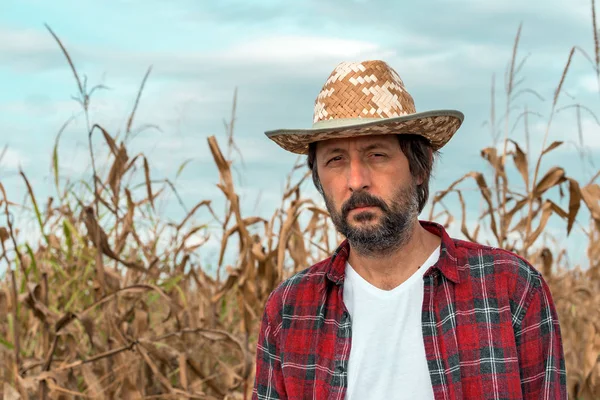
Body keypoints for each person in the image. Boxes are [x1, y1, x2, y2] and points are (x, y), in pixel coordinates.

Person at [252, 60, 567, 399]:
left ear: (421, 167)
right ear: (319, 178)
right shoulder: (289, 310)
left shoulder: (510, 288)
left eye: (377, 154)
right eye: (336, 160)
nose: (356, 181)